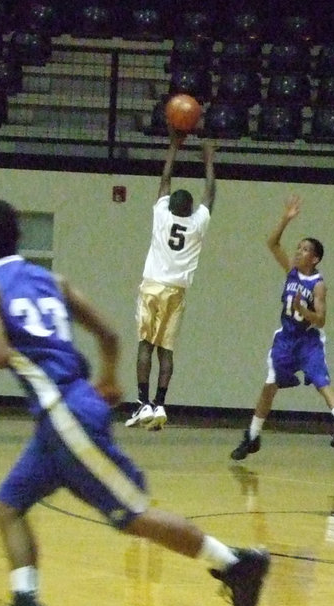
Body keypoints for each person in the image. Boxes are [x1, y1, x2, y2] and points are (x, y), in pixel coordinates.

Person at [0, 199, 268, 606]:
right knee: (7, 507)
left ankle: (237, 563)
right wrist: (107, 376)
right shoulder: (53, 281)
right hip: (62, 417)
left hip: (65, 414)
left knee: (133, 516)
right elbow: (108, 333)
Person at [229, 194, 334, 459]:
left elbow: (320, 320)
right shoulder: (291, 272)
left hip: (308, 340)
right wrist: (285, 219)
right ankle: (252, 436)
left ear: (316, 258)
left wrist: (302, 310)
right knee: (270, 386)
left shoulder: (318, 284)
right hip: (285, 339)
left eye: (304, 249)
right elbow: (272, 243)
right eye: (298, 248)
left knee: (322, 380)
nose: (298, 251)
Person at [126, 127, 216, 431]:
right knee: (166, 350)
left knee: (144, 346)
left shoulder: (162, 216)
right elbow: (210, 191)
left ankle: (143, 404)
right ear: (190, 210)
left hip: (152, 286)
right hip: (177, 291)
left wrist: (174, 146)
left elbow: (164, 180)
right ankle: (161, 403)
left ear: (170, 206)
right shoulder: (197, 224)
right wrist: (208, 159)